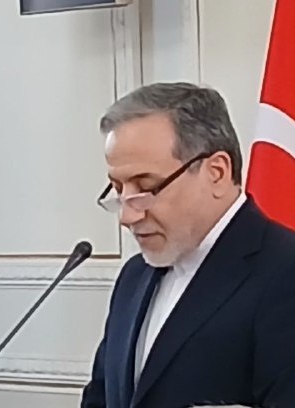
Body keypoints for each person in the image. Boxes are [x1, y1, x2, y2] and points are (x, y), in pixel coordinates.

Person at [81, 82, 295, 408]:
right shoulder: (134, 275)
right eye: (118, 189)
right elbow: (100, 397)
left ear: (216, 172)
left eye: (146, 186)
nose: (127, 215)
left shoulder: (285, 271)